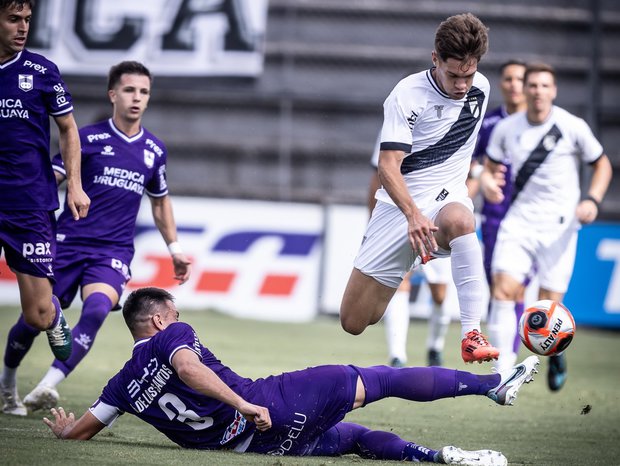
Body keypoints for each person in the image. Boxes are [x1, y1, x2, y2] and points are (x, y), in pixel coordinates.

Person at [43, 287, 540, 465]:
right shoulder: (172, 336)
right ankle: (491, 386)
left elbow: (84, 430)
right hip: (269, 407)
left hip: (256, 447)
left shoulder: (122, 385)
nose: (179, 317)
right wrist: (244, 404)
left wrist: (67, 432)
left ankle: (436, 457)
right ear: (158, 320)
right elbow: (188, 368)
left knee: (355, 438)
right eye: (174, 313)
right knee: (382, 380)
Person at [1, 60, 192, 416]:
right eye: (129, 90)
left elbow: (160, 202)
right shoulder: (86, 139)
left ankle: (47, 385)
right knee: (36, 318)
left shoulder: (154, 150)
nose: (137, 97)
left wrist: (175, 249)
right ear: (113, 94)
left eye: (144, 92)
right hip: (66, 244)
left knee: (98, 309)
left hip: (112, 252)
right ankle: (7, 383)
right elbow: (51, 178)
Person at [340, 13, 499, 364]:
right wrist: (413, 215)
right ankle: (403, 267)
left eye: (469, 75)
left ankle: (471, 333)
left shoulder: (482, 89)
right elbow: (387, 166)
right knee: (355, 321)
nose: (462, 85)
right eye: (454, 75)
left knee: (462, 221)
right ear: (435, 59)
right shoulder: (408, 94)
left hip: (446, 201)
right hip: (399, 210)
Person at [482, 62, 612, 390]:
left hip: (559, 228)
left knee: (548, 305)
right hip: (519, 222)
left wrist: (592, 200)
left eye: (544, 86)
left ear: (553, 91)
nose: (538, 91)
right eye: (533, 85)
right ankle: (502, 374)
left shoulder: (572, 126)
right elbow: (489, 166)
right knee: (503, 291)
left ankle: (556, 353)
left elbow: (602, 165)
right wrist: (487, 183)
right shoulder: (506, 129)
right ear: (524, 90)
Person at [0, 0, 90, 414]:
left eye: (27, 20)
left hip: (29, 205)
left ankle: (53, 317)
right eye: (13, 19)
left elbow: (68, 129)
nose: (22, 28)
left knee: (36, 315)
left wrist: (75, 185)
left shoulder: (41, 71)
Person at [368, 137, 453, 367]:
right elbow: (379, 175)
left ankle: (435, 347)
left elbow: (468, 179)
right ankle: (397, 356)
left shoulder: (452, 126)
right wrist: (373, 223)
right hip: (400, 220)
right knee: (400, 283)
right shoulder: (394, 128)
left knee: (439, 293)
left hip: (436, 220)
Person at [467, 60, 528, 372]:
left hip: (531, 218)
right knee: (498, 286)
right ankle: (505, 362)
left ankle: (508, 364)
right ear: (501, 84)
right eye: (509, 79)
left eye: (520, 79)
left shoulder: (543, 125)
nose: (514, 85)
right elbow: (468, 159)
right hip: (495, 216)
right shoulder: (489, 122)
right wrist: (483, 177)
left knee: (516, 287)